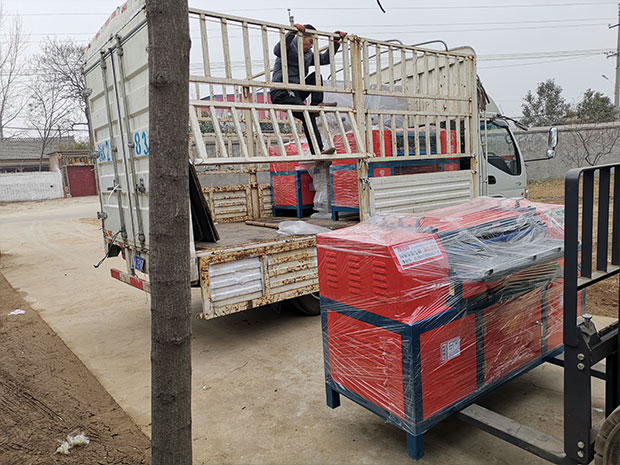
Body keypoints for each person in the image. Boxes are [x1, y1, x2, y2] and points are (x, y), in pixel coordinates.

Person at [270, 24, 346, 154]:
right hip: (282, 92)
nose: (311, 46)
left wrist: (335, 42)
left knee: (317, 76)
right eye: (310, 41)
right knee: (307, 115)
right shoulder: (289, 47)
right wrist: (292, 33)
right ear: (301, 37)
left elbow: (325, 59)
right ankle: (317, 150)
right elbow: (277, 50)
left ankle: (316, 104)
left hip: (296, 91)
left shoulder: (308, 54)